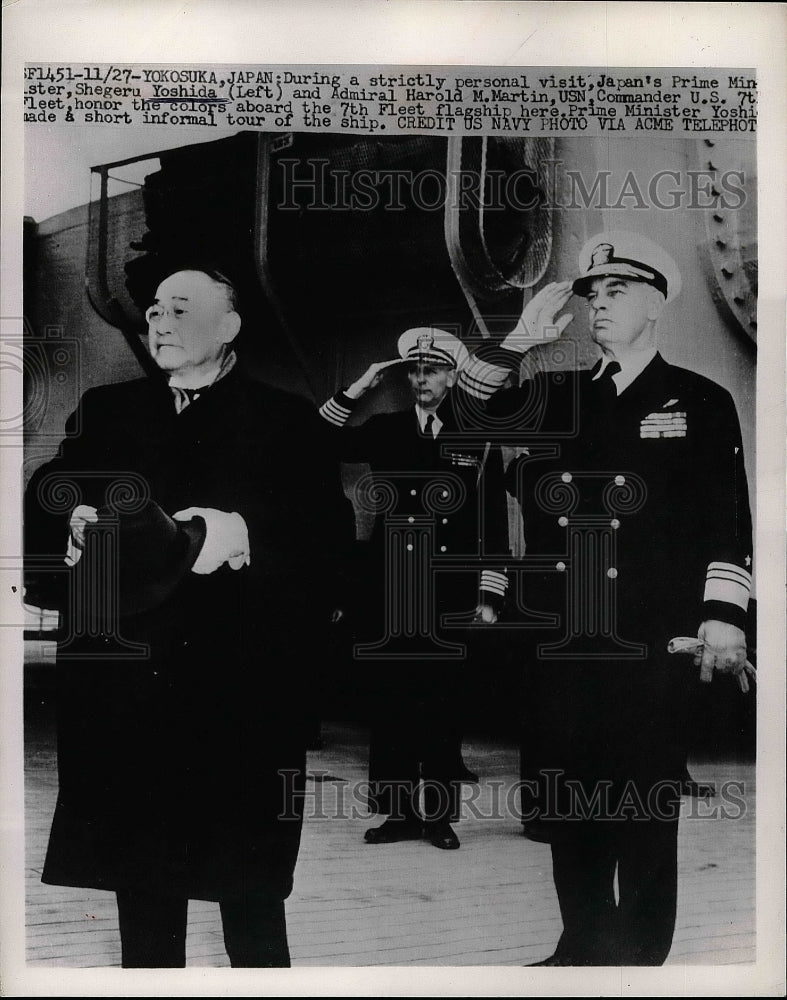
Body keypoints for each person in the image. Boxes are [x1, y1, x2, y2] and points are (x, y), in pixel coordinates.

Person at [24, 266, 347, 968]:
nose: (158, 322)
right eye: (153, 311)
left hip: (237, 705)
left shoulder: (287, 420)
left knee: (251, 900)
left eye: (180, 308)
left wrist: (244, 536)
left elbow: (328, 551)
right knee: (141, 895)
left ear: (229, 327)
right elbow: (49, 492)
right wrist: (72, 518)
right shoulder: (108, 410)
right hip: (128, 701)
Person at [458, 232, 753, 965]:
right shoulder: (558, 395)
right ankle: (581, 946)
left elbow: (724, 515)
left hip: (653, 639)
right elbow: (468, 413)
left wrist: (722, 615)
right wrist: (518, 341)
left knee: (645, 809)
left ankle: (641, 959)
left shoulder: (699, 400)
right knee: (570, 803)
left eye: (616, 291)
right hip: (566, 638)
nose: (597, 304)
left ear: (655, 304)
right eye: (592, 293)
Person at [318, 328, 510, 850]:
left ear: (452, 376)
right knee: (391, 701)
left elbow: (491, 519)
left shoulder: (477, 435)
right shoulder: (386, 428)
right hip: (390, 586)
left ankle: (439, 818)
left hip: (447, 590)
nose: (420, 379)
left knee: (442, 705)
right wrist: (357, 387)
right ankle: (398, 814)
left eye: (431, 370)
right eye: (413, 371)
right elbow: (317, 440)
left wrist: (489, 594)